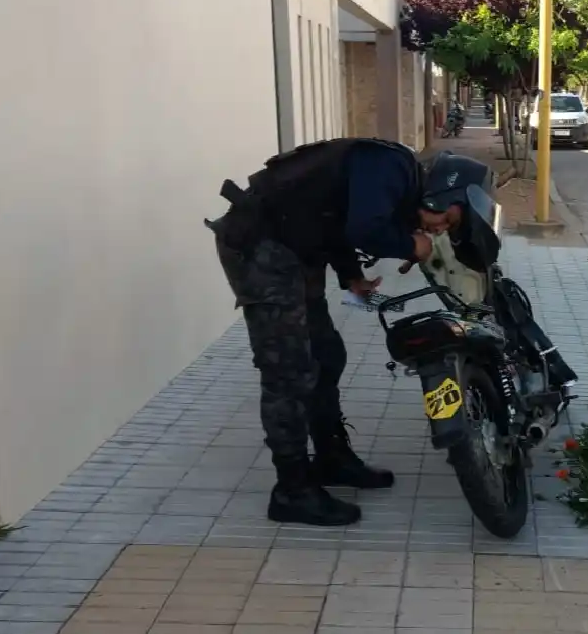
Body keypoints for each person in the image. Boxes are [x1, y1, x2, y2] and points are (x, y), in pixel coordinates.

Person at [206, 139, 489, 526]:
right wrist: (410, 245)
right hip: (261, 249)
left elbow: (335, 217)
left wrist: (351, 275)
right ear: (446, 191)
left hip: (294, 249)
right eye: (448, 221)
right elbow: (362, 227)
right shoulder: (392, 167)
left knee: (326, 355)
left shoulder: (396, 179)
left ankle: (331, 458)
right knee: (288, 371)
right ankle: (291, 490)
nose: (438, 229)